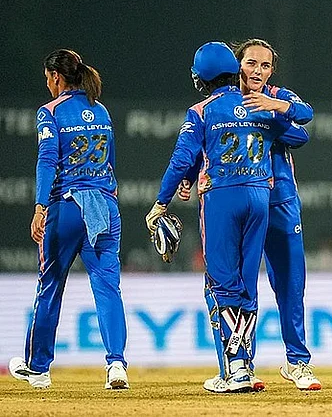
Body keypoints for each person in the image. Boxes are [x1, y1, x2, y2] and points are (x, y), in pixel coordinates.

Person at [145, 41, 292, 393]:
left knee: (221, 283)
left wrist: (161, 202)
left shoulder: (201, 111)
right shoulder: (258, 104)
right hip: (260, 196)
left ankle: (237, 369)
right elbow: (299, 129)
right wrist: (280, 110)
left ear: (201, 77)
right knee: (246, 282)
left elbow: (182, 159)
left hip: (222, 197)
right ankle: (244, 365)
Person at [8, 49, 129, 390]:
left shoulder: (50, 112)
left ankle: (38, 368)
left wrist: (39, 207)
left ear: (56, 78)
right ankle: (116, 365)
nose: (48, 85)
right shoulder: (100, 109)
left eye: (48, 79)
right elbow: (111, 161)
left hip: (67, 209)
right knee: (108, 289)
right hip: (105, 208)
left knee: (49, 287)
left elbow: (47, 161)